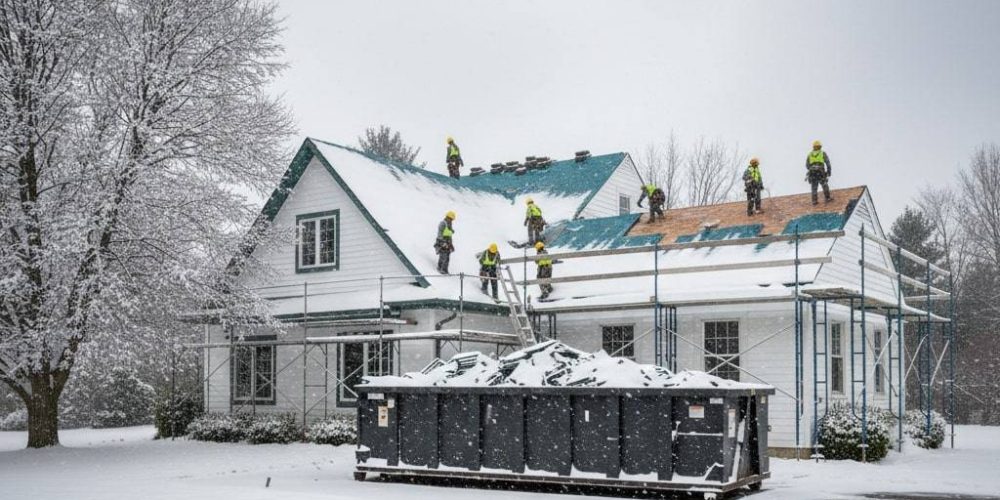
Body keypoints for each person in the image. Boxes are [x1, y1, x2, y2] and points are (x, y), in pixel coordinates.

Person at [805, 140, 832, 204]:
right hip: (820, 171)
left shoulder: (810, 154)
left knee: (814, 187)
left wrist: (812, 168)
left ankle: (814, 201)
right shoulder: (822, 153)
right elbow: (828, 163)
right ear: (820, 147)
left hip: (812, 172)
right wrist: (829, 172)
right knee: (824, 184)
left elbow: (807, 165)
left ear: (813, 147)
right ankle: (827, 198)